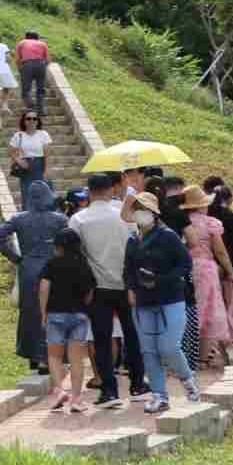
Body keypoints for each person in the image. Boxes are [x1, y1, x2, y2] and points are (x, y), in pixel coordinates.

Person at [70, 173, 147, 408]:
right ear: (111, 190)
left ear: (90, 192)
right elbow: (138, 246)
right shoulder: (125, 216)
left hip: (97, 288)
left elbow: (76, 256)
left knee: (102, 340)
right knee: (132, 336)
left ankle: (109, 391)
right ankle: (138, 384)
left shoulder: (78, 219)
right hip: (128, 286)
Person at [127, 197, 201, 414]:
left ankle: (188, 383)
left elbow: (185, 263)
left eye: (145, 209)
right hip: (143, 302)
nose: (141, 213)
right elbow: (128, 269)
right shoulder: (132, 240)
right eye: (137, 209)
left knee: (169, 346)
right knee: (148, 350)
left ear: (155, 213)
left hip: (171, 299)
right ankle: (159, 395)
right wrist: (132, 287)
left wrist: (161, 279)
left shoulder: (168, 236)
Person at [0, 180, 69, 374]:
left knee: (30, 312)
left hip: (28, 269)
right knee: (54, 311)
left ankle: (34, 356)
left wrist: (16, 257)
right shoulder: (59, 219)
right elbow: (70, 241)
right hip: (53, 270)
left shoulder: (19, 218)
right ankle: (52, 355)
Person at [177, 184, 233, 369]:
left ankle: (185, 355)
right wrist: (230, 271)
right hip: (206, 268)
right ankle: (202, 358)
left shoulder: (181, 222)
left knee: (189, 310)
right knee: (208, 311)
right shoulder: (210, 223)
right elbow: (220, 251)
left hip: (184, 269)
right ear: (202, 205)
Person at [38, 230, 95, 413]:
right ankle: (77, 399)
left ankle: (60, 391)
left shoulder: (52, 264)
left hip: (56, 314)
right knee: (76, 359)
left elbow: (44, 288)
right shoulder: (84, 264)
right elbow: (90, 291)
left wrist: (43, 313)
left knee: (54, 356)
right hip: (79, 315)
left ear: (60, 247)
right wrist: (84, 306)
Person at [204, 178, 233, 350]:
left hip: (212, 268)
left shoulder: (207, 217)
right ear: (229, 200)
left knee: (217, 305)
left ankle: (217, 343)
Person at [9, 110, 52, 199]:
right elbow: (11, 152)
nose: (31, 121)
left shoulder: (43, 134)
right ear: (24, 121)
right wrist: (19, 161)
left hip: (40, 165)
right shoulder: (18, 135)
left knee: (43, 194)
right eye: (28, 118)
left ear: (38, 121)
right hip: (26, 167)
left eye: (34, 119)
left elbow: (47, 154)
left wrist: (46, 170)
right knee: (27, 193)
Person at [14, 31, 50, 119]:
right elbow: (47, 60)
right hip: (41, 64)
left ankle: (32, 107)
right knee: (40, 89)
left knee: (26, 90)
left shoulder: (22, 43)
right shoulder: (42, 44)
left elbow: (18, 59)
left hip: (27, 65)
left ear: (26, 37)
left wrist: (20, 69)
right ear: (37, 37)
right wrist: (42, 67)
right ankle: (41, 110)